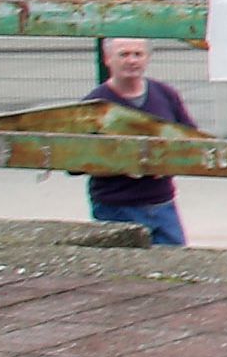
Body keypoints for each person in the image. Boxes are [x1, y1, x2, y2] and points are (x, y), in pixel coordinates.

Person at [81, 38, 190, 246]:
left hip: (162, 205)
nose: (132, 61)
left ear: (147, 58)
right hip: (115, 207)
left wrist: (168, 162)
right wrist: (122, 164)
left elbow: (190, 139)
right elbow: (74, 161)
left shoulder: (165, 94)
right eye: (124, 54)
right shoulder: (94, 104)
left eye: (137, 54)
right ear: (107, 59)